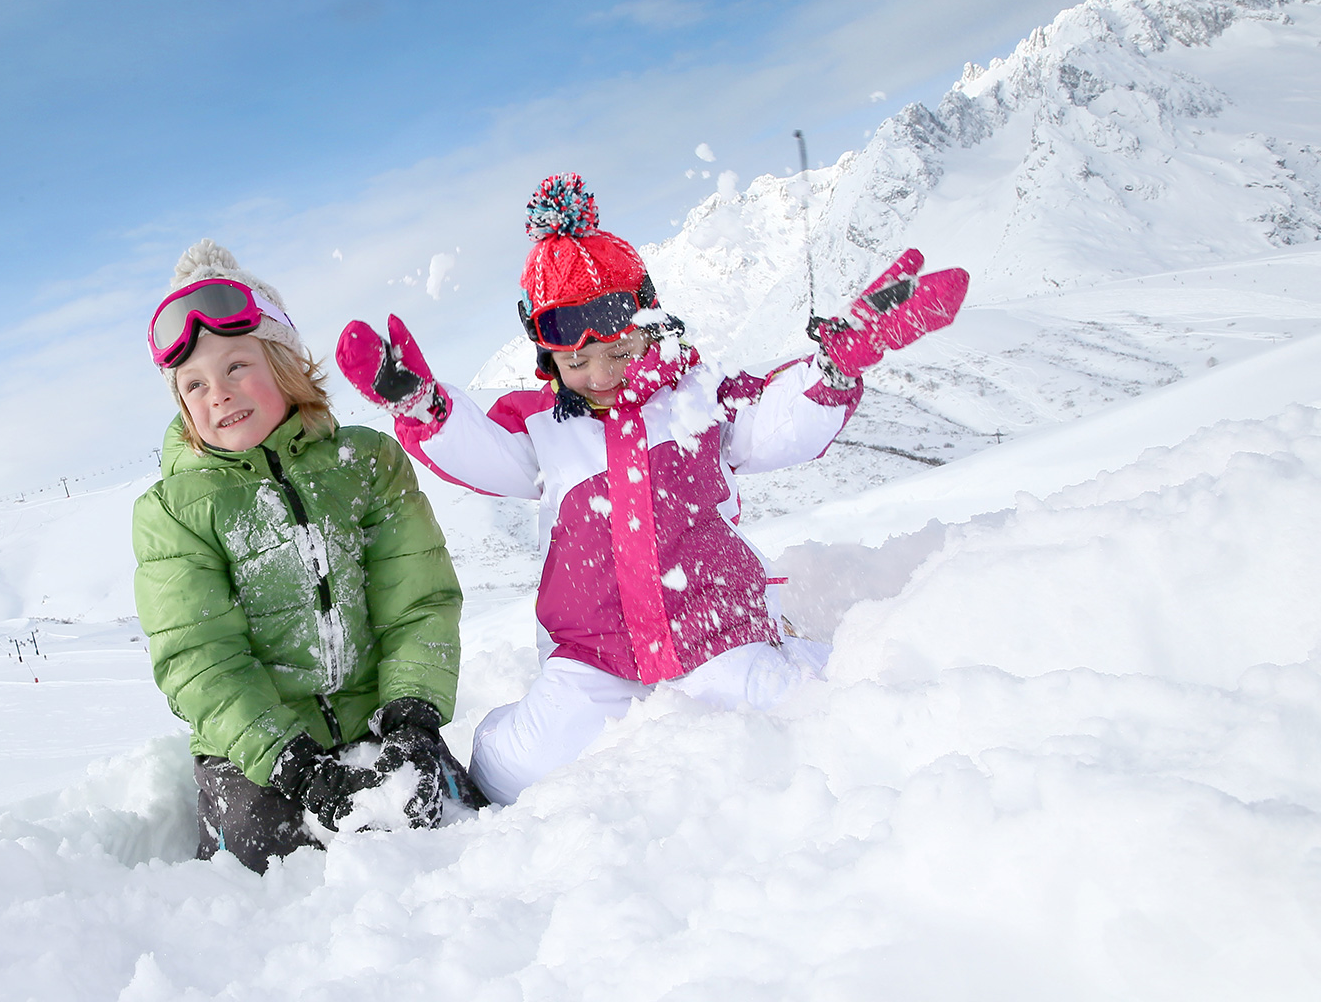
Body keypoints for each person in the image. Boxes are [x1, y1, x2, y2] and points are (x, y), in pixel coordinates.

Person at [337, 173, 966, 805]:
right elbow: (485, 453)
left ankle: (861, 670)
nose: (601, 374)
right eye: (576, 363)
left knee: (803, 709)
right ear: (547, 357)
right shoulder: (542, 426)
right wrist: (423, 405)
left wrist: (836, 365)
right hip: (594, 650)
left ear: (649, 323)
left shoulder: (697, 398)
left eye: (619, 351)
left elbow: (776, 425)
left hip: (710, 628)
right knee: (511, 773)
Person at [132, 239, 486, 872]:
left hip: (378, 722)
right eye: (194, 385)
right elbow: (200, 658)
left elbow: (418, 603)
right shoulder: (175, 512)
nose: (219, 393)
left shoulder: (366, 463)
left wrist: (410, 718)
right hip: (258, 754)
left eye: (237, 366)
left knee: (451, 824)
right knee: (274, 856)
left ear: (284, 361)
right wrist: (291, 761)